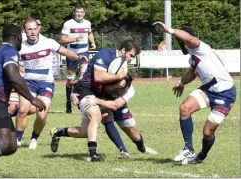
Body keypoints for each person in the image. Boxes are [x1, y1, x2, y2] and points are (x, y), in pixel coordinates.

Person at [153, 22, 236, 164]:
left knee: (207, 132)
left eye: (182, 42)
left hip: (225, 94)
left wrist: (170, 30)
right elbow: (191, 74)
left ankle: (201, 156)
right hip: (209, 90)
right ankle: (188, 148)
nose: (182, 46)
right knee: (185, 108)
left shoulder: (201, 48)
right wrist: (181, 83)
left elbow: (190, 39)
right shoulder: (193, 57)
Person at [50, 38, 141, 162]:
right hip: (85, 89)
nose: (130, 59)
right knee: (96, 115)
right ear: (123, 50)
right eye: (130, 55)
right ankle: (93, 154)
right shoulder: (105, 55)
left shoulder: (120, 64)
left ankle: (57, 132)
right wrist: (120, 76)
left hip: (97, 93)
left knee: (85, 131)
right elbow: (98, 77)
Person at [0, 24, 46, 175]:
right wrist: (32, 99)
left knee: (11, 145)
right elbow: (13, 76)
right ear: (18, 37)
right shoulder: (10, 51)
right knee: (4, 143)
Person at [15, 17, 88, 150]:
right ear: (24, 31)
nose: (32, 31)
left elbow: (65, 51)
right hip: (28, 81)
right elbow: (12, 61)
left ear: (38, 28)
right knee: (23, 110)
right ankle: (18, 139)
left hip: (46, 82)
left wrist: (78, 57)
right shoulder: (19, 45)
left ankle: (34, 139)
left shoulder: (48, 42)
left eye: (34, 28)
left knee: (41, 115)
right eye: (29, 29)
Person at [70, 80, 159, 159]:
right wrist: (73, 93)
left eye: (121, 88)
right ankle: (124, 151)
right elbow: (82, 82)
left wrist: (98, 101)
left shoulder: (130, 90)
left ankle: (142, 148)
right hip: (99, 100)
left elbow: (116, 105)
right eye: (116, 86)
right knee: (106, 116)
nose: (118, 90)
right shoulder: (101, 77)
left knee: (133, 132)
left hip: (115, 103)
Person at [60, 5, 96, 113]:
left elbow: (89, 33)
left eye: (81, 12)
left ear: (84, 14)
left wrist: (92, 42)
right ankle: (68, 101)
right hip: (72, 53)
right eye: (77, 12)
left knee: (83, 77)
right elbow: (62, 39)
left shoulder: (87, 23)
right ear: (74, 13)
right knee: (71, 80)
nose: (79, 14)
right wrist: (74, 39)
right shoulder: (68, 24)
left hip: (84, 52)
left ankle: (81, 102)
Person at [8, 15, 43, 117]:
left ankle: (6, 119)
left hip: (28, 81)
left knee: (32, 109)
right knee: (12, 107)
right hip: (16, 80)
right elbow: (10, 60)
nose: (36, 28)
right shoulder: (19, 43)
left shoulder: (43, 42)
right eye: (30, 28)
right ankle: (2, 128)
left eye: (38, 26)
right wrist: (21, 68)